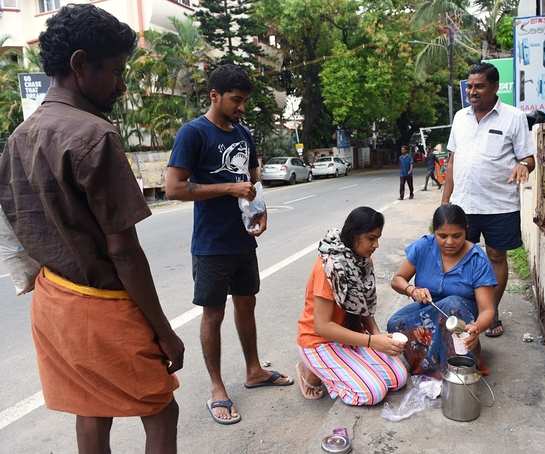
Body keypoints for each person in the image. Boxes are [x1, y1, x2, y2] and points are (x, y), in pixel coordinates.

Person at [0, 5, 184, 453]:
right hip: (102, 306)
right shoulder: (95, 135)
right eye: (117, 71)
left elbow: (16, 227)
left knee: (91, 408)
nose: (121, 85)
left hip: (53, 302)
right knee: (160, 408)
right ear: (80, 64)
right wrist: (162, 329)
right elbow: (123, 250)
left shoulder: (20, 137)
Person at [165, 64, 292, 426]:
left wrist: (261, 210)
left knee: (247, 305)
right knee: (213, 314)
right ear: (214, 96)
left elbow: (252, 177)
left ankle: (253, 370)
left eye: (244, 101)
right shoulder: (194, 133)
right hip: (210, 244)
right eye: (236, 100)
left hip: (242, 240)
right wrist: (228, 189)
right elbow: (174, 188)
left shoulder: (243, 133)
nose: (241, 108)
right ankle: (217, 387)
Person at [441, 62, 536, 338]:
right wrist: (446, 202)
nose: (473, 91)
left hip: (500, 205)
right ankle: (464, 311)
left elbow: (528, 156)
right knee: (460, 258)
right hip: (463, 204)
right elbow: (452, 160)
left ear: (495, 87)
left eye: (479, 86)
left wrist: (524, 166)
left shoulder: (514, 117)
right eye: (469, 86)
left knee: (496, 256)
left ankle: (490, 313)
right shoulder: (460, 118)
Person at [296, 207, 408, 405]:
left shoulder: (362, 260)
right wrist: (372, 342)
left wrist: (376, 334)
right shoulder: (329, 267)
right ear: (354, 235)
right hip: (319, 341)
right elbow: (322, 327)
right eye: (371, 238)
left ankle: (348, 366)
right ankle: (309, 370)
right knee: (373, 393)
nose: (376, 245)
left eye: (378, 238)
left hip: (349, 335)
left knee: (398, 378)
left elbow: (362, 306)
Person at [388, 205, 497, 376]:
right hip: (429, 308)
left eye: (456, 236)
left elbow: (488, 310)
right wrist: (412, 290)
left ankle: (453, 365)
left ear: (466, 231)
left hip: (459, 316)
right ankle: (428, 361)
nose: (449, 242)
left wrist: (476, 327)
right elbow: (397, 280)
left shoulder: (477, 259)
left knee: (452, 305)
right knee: (395, 324)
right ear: (434, 232)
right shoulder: (424, 246)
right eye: (442, 236)